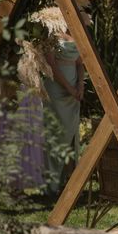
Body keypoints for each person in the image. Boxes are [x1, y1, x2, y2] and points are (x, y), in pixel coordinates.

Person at [42, 30, 85, 193]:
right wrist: (69, 88)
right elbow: (51, 65)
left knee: (71, 134)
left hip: (74, 93)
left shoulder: (78, 31)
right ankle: (51, 185)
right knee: (55, 134)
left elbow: (80, 63)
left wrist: (80, 85)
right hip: (56, 90)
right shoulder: (51, 33)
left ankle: (69, 181)